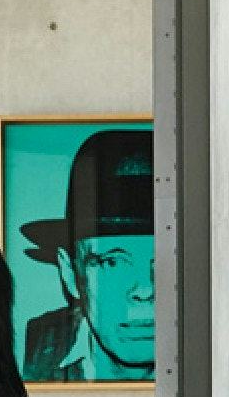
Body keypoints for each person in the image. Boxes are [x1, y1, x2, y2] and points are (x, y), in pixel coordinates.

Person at [22, 129, 154, 382]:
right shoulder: (31, 349)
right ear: (69, 272)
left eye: (164, 261)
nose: (145, 288)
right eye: (112, 262)